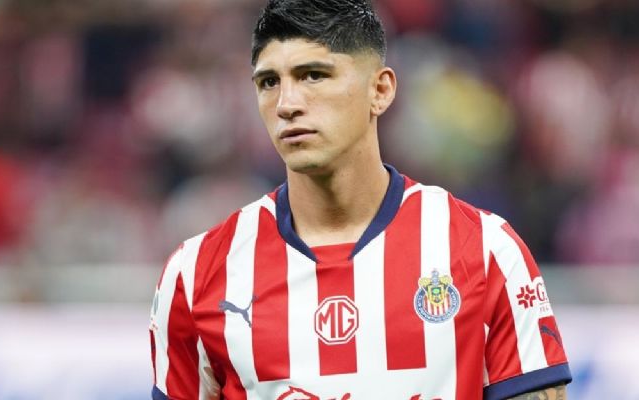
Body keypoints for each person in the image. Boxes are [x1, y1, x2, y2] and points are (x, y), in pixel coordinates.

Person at [149, 0, 572, 399]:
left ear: (380, 90)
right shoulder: (196, 274)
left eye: (314, 75)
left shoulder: (484, 250)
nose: (287, 104)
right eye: (269, 82)